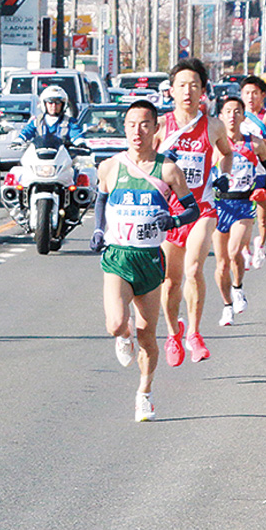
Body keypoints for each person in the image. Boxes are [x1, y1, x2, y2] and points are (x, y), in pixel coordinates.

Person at [91, 100, 197, 421]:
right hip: (118, 256)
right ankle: (123, 338)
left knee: (148, 336)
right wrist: (98, 229)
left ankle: (144, 393)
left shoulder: (168, 170)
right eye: (132, 125)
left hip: (151, 259)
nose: (138, 131)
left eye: (145, 125)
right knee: (115, 324)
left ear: (155, 129)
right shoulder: (110, 166)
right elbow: (101, 199)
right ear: (124, 128)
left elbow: (192, 208)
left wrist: (173, 222)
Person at [155, 58, 232, 367]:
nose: (188, 91)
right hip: (169, 212)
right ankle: (174, 333)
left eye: (194, 86)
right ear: (171, 90)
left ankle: (195, 334)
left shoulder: (212, 125)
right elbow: (140, 160)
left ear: (203, 91)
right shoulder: (160, 126)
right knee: (170, 281)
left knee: (192, 269)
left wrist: (223, 173)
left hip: (202, 207)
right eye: (182, 85)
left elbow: (226, 153)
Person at [211, 96, 266, 327]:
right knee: (221, 264)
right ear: (221, 116)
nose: (232, 116)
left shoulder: (254, 144)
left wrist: (263, 188)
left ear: (244, 116)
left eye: (237, 111)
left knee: (234, 250)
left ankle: (238, 288)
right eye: (228, 111)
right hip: (219, 206)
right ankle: (227, 306)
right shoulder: (214, 146)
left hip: (244, 205)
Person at [239, 76, 266, 270]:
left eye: (255, 93)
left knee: (263, 218)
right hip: (241, 174)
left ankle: (260, 244)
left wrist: (255, 142)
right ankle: (245, 249)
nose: (251, 97)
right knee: (244, 215)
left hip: (264, 172)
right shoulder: (237, 115)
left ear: (263, 95)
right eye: (247, 93)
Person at [16, 85, 88, 147]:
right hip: (40, 156)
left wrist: (80, 143)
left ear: (63, 105)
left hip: (63, 158)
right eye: (50, 103)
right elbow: (27, 131)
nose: (54, 106)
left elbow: (76, 134)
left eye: (57, 103)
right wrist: (19, 140)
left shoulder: (70, 122)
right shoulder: (37, 121)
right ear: (44, 104)